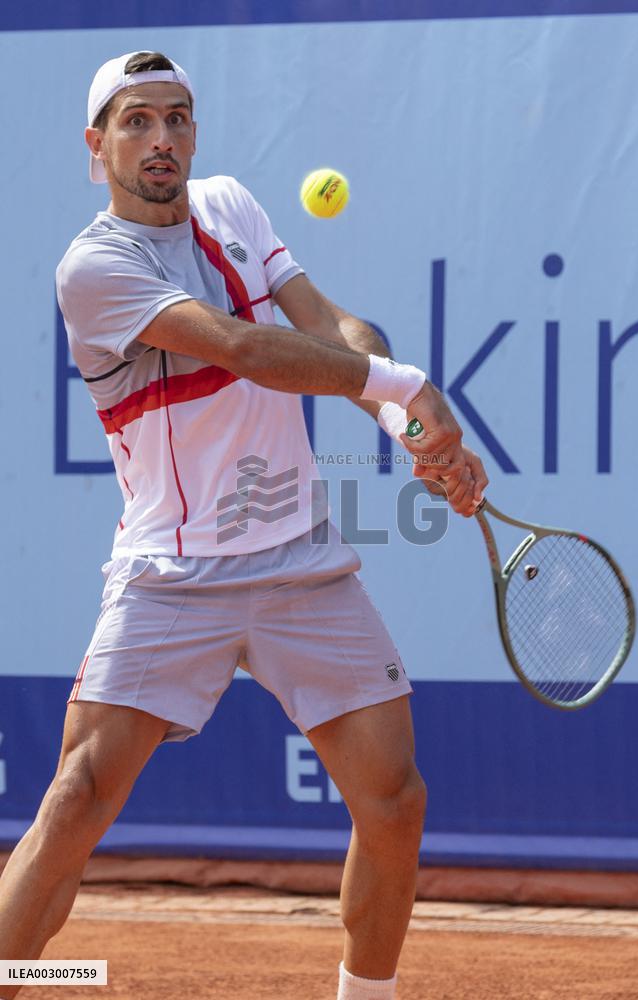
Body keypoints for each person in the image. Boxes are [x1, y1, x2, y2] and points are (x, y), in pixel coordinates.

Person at [0, 51, 488, 1000]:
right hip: (174, 574)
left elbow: (330, 325)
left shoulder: (229, 203)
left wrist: (406, 426)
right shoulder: (94, 266)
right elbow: (246, 348)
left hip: (300, 560)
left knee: (394, 801)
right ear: (96, 146)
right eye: (137, 122)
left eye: (178, 118)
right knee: (76, 803)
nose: (162, 140)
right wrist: (403, 391)